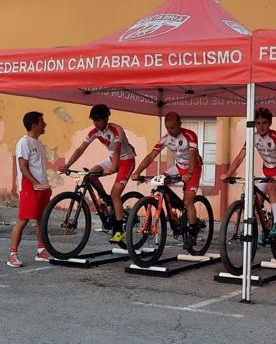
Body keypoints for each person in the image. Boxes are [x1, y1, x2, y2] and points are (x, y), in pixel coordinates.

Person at [60, 104, 136, 245]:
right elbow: (80, 149)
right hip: (113, 158)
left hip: (126, 160)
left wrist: (113, 169)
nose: (96, 123)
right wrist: (67, 166)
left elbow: (118, 150)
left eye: (98, 119)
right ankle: (105, 199)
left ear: (106, 118)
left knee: (115, 194)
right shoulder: (95, 131)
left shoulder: (116, 129)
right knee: (90, 174)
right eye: (94, 120)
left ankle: (119, 231)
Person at [131, 112, 201, 249]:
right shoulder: (165, 138)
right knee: (160, 181)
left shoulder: (190, 135)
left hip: (194, 168)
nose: (171, 131)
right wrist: (138, 171)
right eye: (168, 128)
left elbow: (193, 156)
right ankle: (173, 211)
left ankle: (193, 231)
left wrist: (190, 173)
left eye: (174, 128)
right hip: (178, 167)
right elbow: (151, 156)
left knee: (188, 202)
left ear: (180, 124)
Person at [220, 107, 276, 237]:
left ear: (269, 123)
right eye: (258, 123)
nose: (261, 126)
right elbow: (240, 156)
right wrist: (228, 173)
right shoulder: (253, 137)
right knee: (256, 202)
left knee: (270, 187)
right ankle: (266, 230)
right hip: (266, 170)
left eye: (264, 123)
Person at [7, 112, 52, 267]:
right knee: (23, 220)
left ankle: (41, 251)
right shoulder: (24, 142)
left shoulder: (38, 143)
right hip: (29, 187)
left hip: (42, 186)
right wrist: (34, 183)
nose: (44, 124)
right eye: (42, 122)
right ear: (34, 125)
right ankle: (12, 254)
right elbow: (23, 166)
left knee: (41, 219)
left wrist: (44, 184)